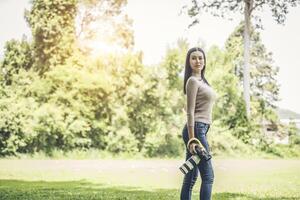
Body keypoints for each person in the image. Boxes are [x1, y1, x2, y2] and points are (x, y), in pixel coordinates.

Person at [180, 47, 217, 200]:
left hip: (201, 129)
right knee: (208, 176)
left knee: (191, 176)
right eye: (194, 58)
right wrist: (192, 139)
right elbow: (190, 112)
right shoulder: (192, 81)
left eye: (200, 58)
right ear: (189, 62)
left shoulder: (203, 81)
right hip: (195, 130)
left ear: (204, 61)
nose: (198, 61)